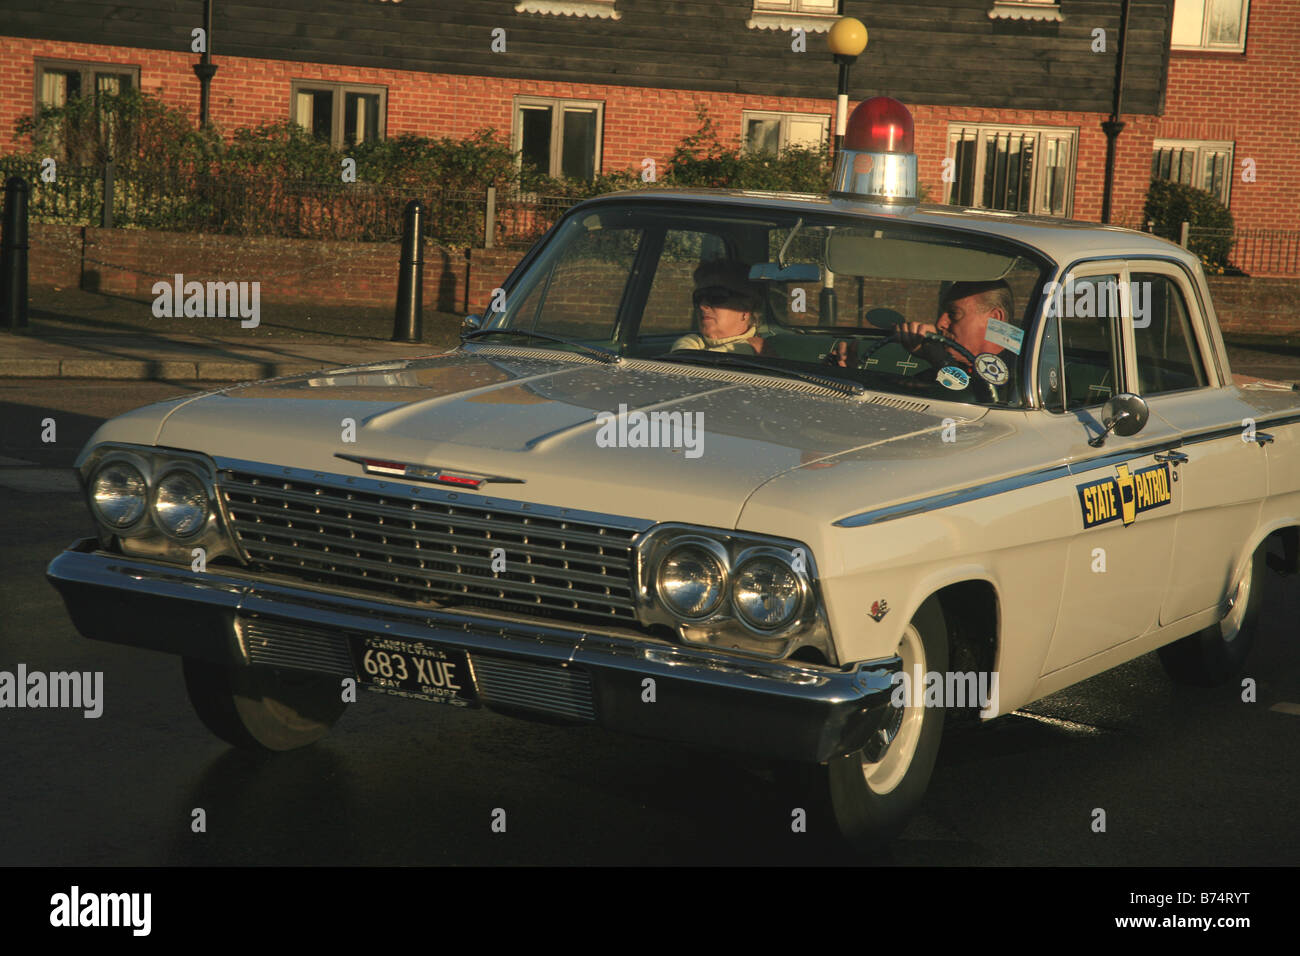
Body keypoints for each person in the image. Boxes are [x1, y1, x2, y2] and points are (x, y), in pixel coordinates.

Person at [827, 279, 1015, 375]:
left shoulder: (1024, 374)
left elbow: (983, 398)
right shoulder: (930, 376)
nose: (941, 323)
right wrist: (853, 374)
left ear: (995, 318)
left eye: (954, 314)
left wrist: (939, 360)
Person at [672, 259, 768, 355]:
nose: (702, 306)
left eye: (715, 296)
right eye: (699, 297)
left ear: (745, 309)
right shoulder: (691, 342)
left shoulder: (763, 348)